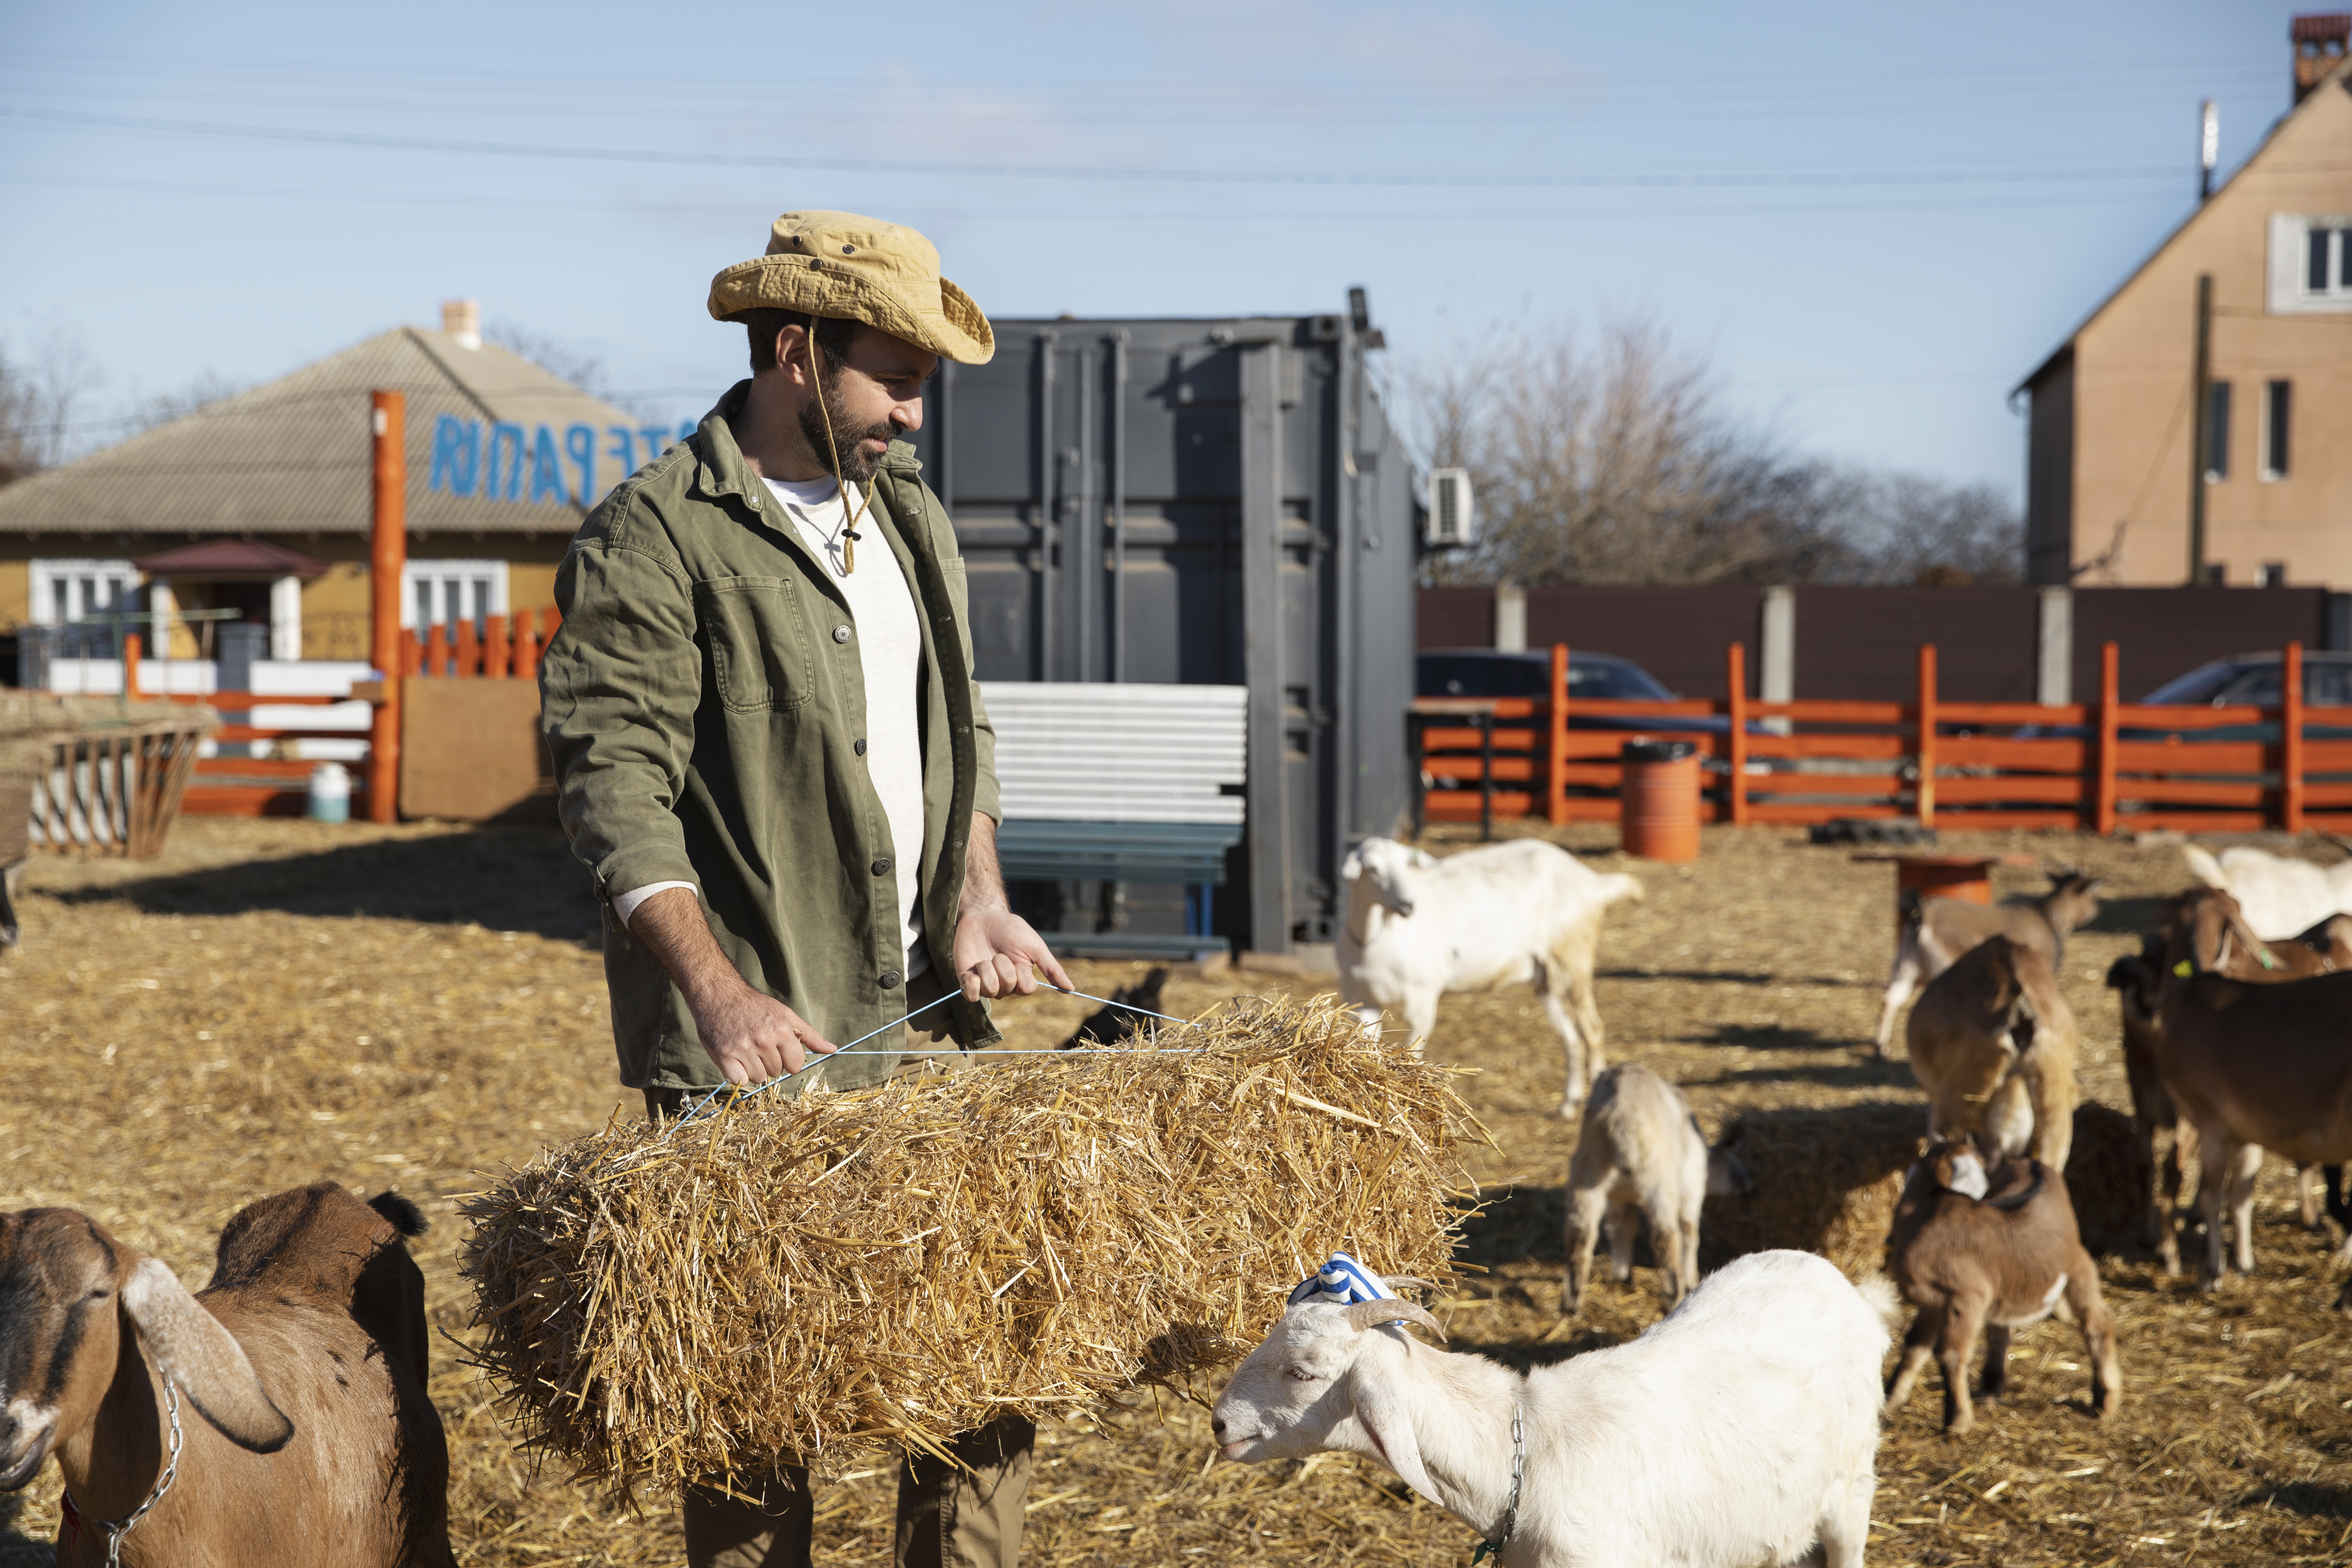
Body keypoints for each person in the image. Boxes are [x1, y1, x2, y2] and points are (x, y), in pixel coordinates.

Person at [540, 208, 1072, 1568]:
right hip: (759, 1061)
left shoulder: (916, 523)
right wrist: (718, 998)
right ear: (793, 351)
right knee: (753, 1416)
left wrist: (980, 899)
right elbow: (614, 787)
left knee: (971, 1393)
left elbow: (961, 734)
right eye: (892, 376)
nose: (911, 410)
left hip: (929, 1030)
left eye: (924, 383)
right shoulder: (654, 537)